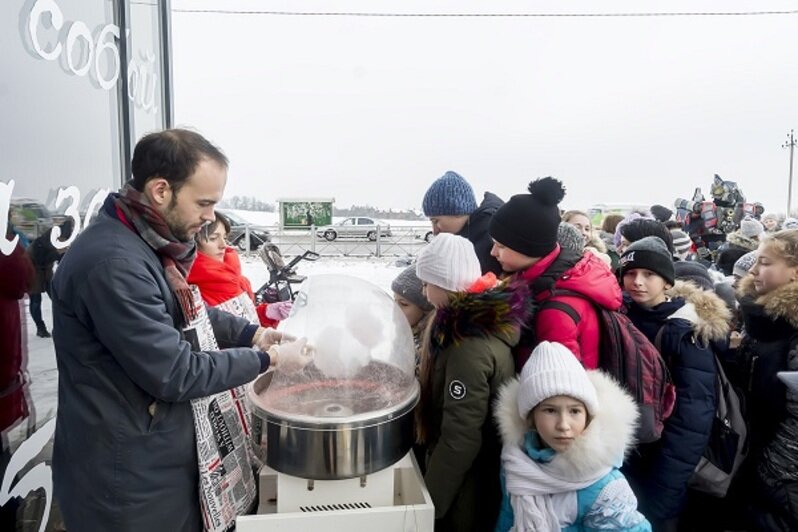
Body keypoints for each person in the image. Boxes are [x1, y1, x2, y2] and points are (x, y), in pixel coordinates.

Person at [50, 129, 299, 531]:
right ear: (161, 190)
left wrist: (252, 334)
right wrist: (265, 359)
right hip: (127, 481)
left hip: (155, 459)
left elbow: (185, 311)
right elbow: (176, 372)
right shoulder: (114, 265)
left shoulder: (147, 245)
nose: (208, 218)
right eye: (203, 203)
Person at [415, 233, 530, 531]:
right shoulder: (461, 327)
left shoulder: (468, 346)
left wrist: (431, 504)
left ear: (446, 285)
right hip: (464, 473)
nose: (423, 291)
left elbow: (461, 434)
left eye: (427, 283)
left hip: (465, 484)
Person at [618, 237, 726, 531]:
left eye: (649, 274)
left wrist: (664, 489)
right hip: (625, 459)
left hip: (661, 468)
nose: (637, 281)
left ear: (667, 282)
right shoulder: (619, 316)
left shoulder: (685, 330)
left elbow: (692, 419)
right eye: (629, 273)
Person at [494, 341, 650, 532]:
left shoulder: (605, 487)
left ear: (588, 416)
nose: (563, 425)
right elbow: (508, 517)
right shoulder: (516, 462)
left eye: (575, 411)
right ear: (531, 417)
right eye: (550, 410)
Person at [489, 177, 622, 371]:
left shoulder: (555, 311)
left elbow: (560, 389)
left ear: (529, 248)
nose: (493, 252)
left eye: (501, 246)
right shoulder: (554, 278)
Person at [733, 229, 798, 530]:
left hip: (782, 477)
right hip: (754, 456)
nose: (753, 271)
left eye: (765, 263)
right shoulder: (761, 317)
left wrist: (772, 470)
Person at [187, 211, 291, 328]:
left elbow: (245, 321)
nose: (223, 245)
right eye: (213, 238)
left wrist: (266, 313)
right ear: (191, 243)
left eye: (225, 237)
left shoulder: (238, 280)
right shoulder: (190, 293)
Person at [422, 170, 504, 275]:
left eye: (436, 221)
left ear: (457, 211)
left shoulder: (487, 239)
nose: (434, 231)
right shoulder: (475, 234)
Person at [26, 220, 72, 337]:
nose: (64, 244)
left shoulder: (61, 242)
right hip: (32, 267)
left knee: (57, 298)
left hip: (46, 269)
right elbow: (39, 259)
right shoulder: (43, 243)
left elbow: (64, 262)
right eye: (63, 240)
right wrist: (58, 253)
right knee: (36, 300)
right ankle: (40, 328)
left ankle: (64, 325)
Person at [391, 265, 434, 371]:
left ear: (425, 309)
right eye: (394, 301)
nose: (395, 309)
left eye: (403, 304)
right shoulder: (402, 333)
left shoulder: (431, 345)